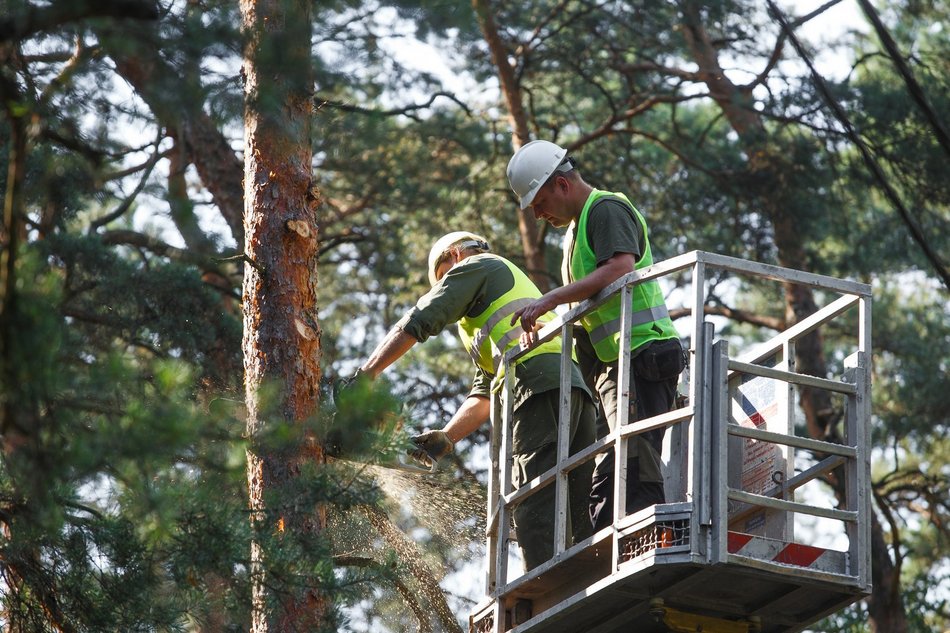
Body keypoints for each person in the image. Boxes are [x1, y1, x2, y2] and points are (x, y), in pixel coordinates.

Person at [348, 231, 596, 570]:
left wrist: (367, 375)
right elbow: (482, 395)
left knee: (534, 497)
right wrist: (447, 438)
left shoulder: (477, 266)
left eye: (443, 279)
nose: (445, 286)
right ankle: (582, 575)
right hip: (573, 389)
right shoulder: (498, 295)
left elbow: (420, 319)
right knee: (574, 496)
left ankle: (543, 589)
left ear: (454, 255)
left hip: (535, 386)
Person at [506, 140, 685, 531]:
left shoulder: (604, 209)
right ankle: (623, 541)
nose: (537, 215)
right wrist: (549, 325)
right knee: (614, 461)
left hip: (643, 353)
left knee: (632, 459)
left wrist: (549, 298)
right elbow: (589, 307)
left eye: (538, 202)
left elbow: (620, 268)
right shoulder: (575, 231)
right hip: (616, 366)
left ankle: (648, 541)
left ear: (561, 184)